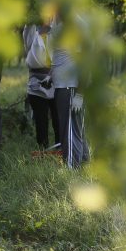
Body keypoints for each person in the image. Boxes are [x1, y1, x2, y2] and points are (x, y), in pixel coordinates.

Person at [51, 20, 88, 168]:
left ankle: (71, 169)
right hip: (64, 86)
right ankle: (84, 162)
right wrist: (51, 75)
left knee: (69, 131)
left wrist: (79, 94)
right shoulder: (59, 22)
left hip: (70, 87)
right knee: (75, 129)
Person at [23, 23, 59, 150]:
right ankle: (43, 152)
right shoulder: (32, 34)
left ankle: (60, 150)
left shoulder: (55, 33)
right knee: (41, 121)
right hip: (36, 85)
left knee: (58, 120)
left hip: (56, 83)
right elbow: (29, 26)